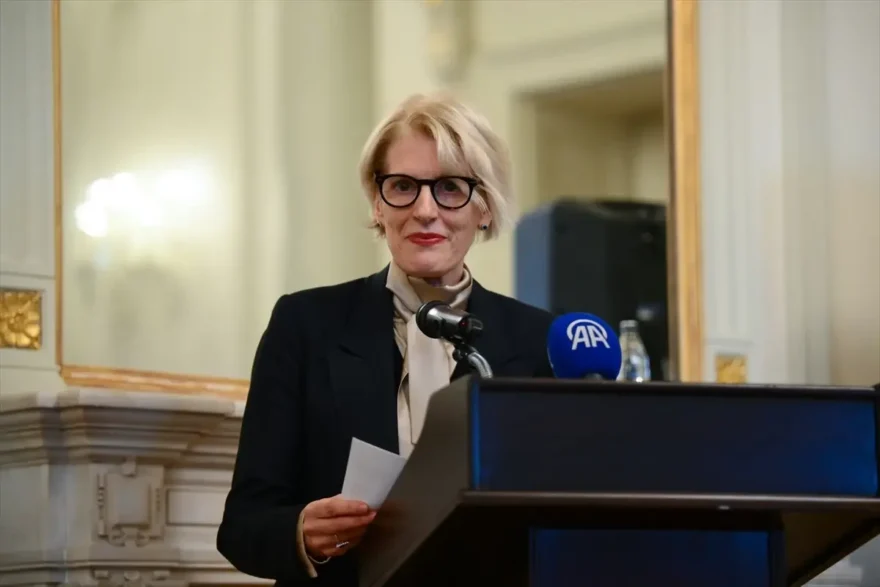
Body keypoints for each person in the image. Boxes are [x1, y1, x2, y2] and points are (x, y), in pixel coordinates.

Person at [217, 93, 554, 586]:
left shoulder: (537, 338)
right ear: (378, 204)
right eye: (402, 186)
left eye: (450, 187)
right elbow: (243, 525)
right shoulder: (305, 324)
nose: (424, 210)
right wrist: (301, 532)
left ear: (484, 207)